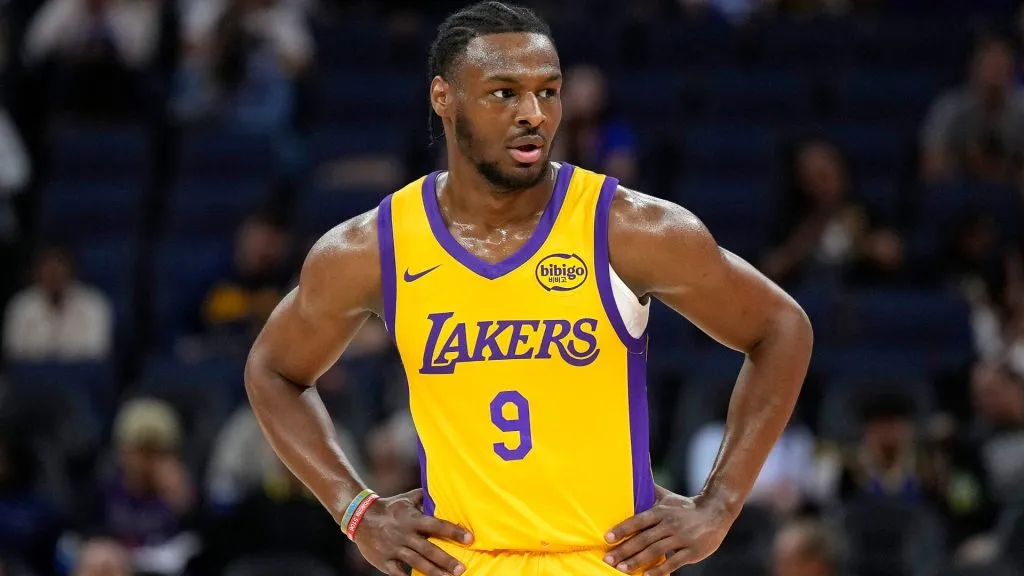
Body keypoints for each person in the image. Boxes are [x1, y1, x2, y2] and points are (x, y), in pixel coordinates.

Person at [244, 2, 813, 575]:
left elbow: (781, 327)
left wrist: (720, 502)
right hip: (460, 562)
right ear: (444, 97)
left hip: (606, 559)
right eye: (504, 93)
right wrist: (357, 510)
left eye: (548, 91)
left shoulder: (630, 229)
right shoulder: (373, 247)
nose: (533, 114)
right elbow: (273, 370)